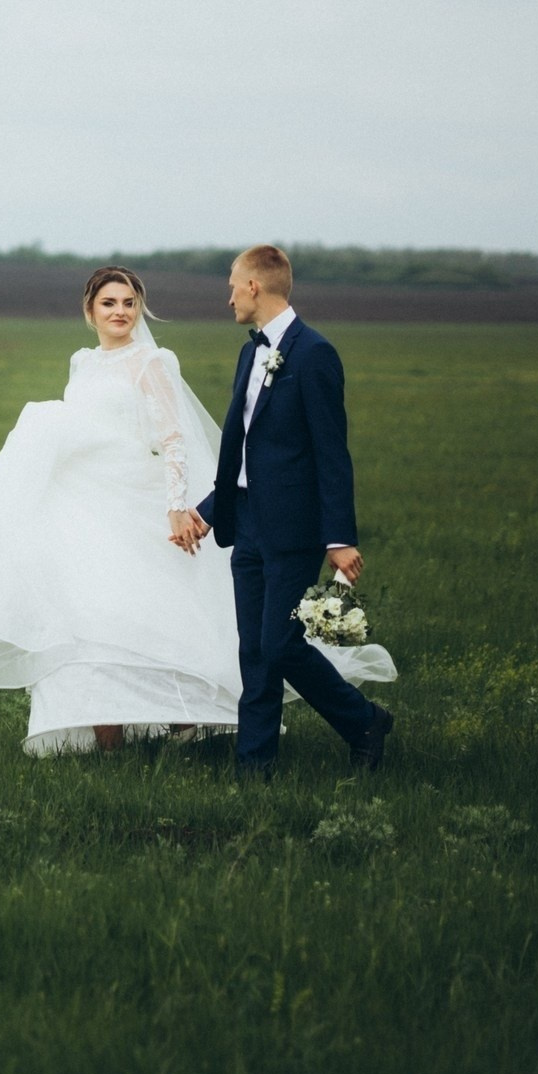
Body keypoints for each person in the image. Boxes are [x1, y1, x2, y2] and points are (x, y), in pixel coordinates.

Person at [0, 264, 391, 757]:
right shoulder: (81, 362)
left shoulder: (152, 361)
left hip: (139, 504)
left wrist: (176, 508)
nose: (120, 312)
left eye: (128, 303)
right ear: (90, 310)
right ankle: (109, 740)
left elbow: (173, 440)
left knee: (157, 618)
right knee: (88, 620)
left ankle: (200, 729)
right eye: (109, 303)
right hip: (88, 510)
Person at [187, 246, 398, 780]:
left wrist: (339, 536)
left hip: (295, 530)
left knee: (280, 643)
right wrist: (211, 510)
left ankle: (364, 720)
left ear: (255, 286)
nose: (228, 294)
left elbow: (332, 452)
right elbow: (244, 452)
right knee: (254, 652)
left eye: (233, 283)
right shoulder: (249, 353)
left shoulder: (314, 354)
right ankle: (253, 769)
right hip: (247, 524)